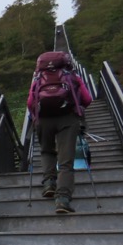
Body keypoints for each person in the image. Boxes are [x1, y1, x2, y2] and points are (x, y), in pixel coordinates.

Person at [26, 53, 93, 214]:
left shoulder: (38, 78)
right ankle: (62, 199)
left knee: (47, 151)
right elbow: (87, 98)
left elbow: (30, 102)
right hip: (68, 119)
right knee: (66, 161)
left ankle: (49, 183)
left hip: (43, 120)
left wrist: (36, 116)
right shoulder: (72, 76)